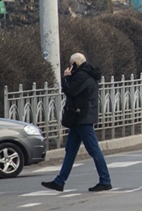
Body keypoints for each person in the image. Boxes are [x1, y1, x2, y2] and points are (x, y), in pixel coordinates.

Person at [42, 53, 112, 192]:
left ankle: (105, 180)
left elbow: (70, 91)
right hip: (79, 117)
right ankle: (59, 181)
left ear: (76, 64)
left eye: (71, 63)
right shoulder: (87, 73)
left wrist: (66, 77)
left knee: (94, 150)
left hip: (82, 118)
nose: (69, 66)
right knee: (70, 151)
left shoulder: (82, 75)